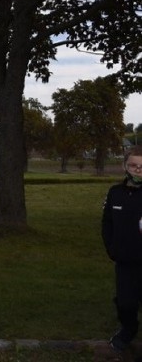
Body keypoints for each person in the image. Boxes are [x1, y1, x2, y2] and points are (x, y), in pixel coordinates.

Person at [102, 146, 142, 352]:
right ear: (125, 167)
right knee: (126, 304)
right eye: (133, 165)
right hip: (125, 261)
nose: (138, 170)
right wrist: (112, 248)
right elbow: (107, 224)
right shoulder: (115, 193)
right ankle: (128, 329)